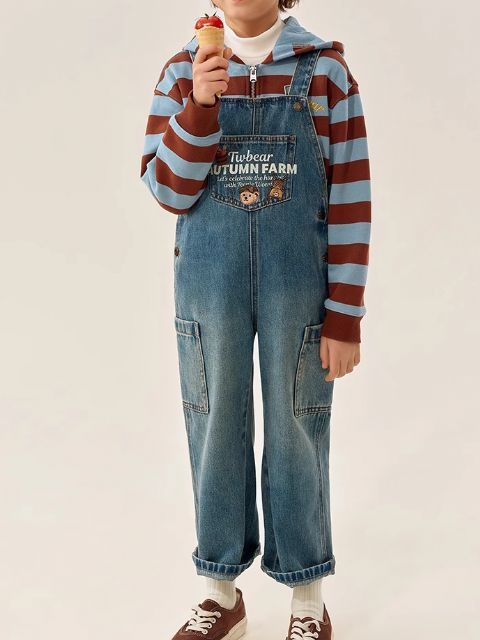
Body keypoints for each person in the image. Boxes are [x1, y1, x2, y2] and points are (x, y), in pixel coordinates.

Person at [140, 0, 371, 638]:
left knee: (298, 425)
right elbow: (167, 190)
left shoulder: (326, 73)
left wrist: (344, 314)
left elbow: (352, 196)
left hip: (300, 287)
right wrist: (200, 105)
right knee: (214, 423)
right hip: (208, 285)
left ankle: (307, 602)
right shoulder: (180, 72)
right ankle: (220, 594)